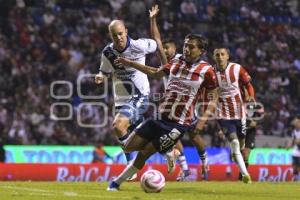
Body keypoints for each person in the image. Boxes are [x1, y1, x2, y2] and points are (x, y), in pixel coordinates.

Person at [107, 34, 218, 191]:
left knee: (144, 153)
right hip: (159, 117)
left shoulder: (207, 71)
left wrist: (202, 120)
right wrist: (129, 62)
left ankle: (115, 183)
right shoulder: (176, 61)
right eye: (185, 45)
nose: (186, 49)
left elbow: (214, 97)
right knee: (127, 147)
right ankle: (169, 150)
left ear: (201, 51)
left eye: (191, 46)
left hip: (177, 124)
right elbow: (155, 72)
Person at [149, 5, 209, 181]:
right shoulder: (168, 62)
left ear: (175, 48)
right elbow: (157, 40)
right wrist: (153, 19)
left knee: (193, 135)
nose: (165, 50)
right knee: (172, 135)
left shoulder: (186, 62)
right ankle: (185, 169)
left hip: (187, 105)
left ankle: (204, 161)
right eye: (164, 48)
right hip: (172, 106)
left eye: (168, 48)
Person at [94, 20, 157, 177]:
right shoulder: (107, 52)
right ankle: (169, 150)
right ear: (111, 36)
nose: (119, 37)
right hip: (121, 100)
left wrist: (165, 61)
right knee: (141, 136)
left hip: (139, 95)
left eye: (121, 33)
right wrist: (100, 76)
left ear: (126, 32)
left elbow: (157, 44)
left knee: (118, 126)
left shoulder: (139, 45)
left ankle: (130, 166)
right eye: (115, 35)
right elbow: (104, 70)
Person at [213, 47, 255, 183]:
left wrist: (251, 96)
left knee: (241, 143)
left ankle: (236, 154)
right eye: (217, 54)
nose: (219, 56)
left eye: (222, 54)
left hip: (240, 113)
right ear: (214, 57)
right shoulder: (210, 73)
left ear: (227, 57)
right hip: (222, 115)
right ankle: (245, 175)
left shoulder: (237, 69)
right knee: (235, 143)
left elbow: (248, 85)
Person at [290, 117, 300, 181]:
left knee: (299, 165)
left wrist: (297, 141)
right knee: (294, 165)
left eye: (297, 122)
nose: (296, 123)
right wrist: (290, 145)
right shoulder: (294, 131)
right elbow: (293, 140)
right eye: (295, 122)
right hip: (295, 151)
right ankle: (295, 177)